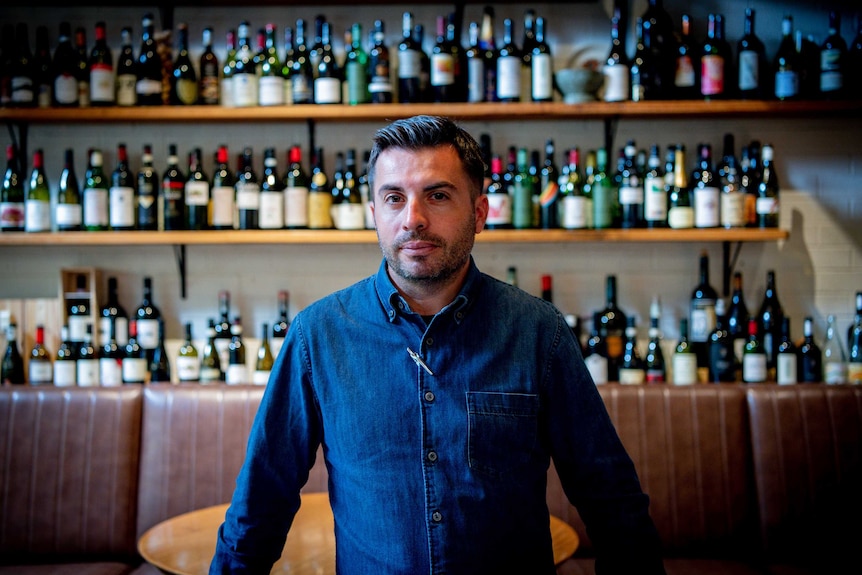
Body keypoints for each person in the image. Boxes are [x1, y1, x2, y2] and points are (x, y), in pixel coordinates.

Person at [211, 115, 665, 574]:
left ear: (480, 212)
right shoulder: (318, 335)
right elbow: (261, 503)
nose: (413, 219)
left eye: (438, 195)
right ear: (375, 216)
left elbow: (611, 500)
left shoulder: (537, 332)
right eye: (394, 198)